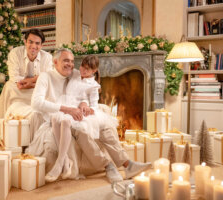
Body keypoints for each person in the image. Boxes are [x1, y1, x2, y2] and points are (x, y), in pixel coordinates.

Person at [30, 48, 151, 183]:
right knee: (82, 130)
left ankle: (128, 164)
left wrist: (84, 104)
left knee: (104, 127)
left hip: (76, 112)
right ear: (55, 62)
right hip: (59, 117)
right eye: (66, 60)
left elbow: (82, 92)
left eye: (71, 61)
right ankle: (108, 165)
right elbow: (36, 103)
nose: (70, 64)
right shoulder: (46, 76)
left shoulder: (73, 73)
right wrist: (68, 109)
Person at [45, 55, 118, 182]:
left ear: (94, 71)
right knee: (54, 119)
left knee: (65, 121)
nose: (83, 70)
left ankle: (59, 163)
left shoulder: (94, 85)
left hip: (80, 111)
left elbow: (93, 105)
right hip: (67, 104)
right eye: (82, 67)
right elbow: (60, 72)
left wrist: (86, 106)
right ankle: (66, 161)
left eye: (87, 69)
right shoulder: (75, 74)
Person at [0, 28, 53, 136]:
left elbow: (48, 78)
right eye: (30, 42)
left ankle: (40, 122)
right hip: (18, 88)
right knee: (9, 86)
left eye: (37, 43)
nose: (33, 46)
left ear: (41, 45)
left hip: (36, 89)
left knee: (48, 90)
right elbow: (14, 77)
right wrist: (36, 80)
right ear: (25, 41)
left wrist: (30, 81)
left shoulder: (48, 57)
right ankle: (9, 124)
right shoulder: (15, 53)